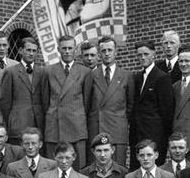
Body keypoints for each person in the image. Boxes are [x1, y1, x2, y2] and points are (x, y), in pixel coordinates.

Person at [43, 35, 93, 169]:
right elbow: (45, 101)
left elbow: (87, 102)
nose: (67, 51)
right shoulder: (48, 71)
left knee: (78, 168)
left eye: (70, 48)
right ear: (58, 49)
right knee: (53, 168)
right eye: (64, 48)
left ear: (76, 49)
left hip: (76, 127)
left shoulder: (85, 72)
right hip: (55, 127)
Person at [87, 36, 135, 166]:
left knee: (118, 169)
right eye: (103, 51)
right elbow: (87, 104)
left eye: (110, 50)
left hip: (117, 130)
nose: (107, 54)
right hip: (97, 128)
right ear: (99, 54)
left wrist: (120, 119)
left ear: (116, 52)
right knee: (97, 170)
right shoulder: (91, 75)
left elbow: (130, 105)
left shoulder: (127, 75)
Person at [129, 39, 174, 168]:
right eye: (139, 55)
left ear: (153, 54)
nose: (142, 57)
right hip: (137, 134)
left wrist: (163, 137)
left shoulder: (162, 77)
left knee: (154, 170)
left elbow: (167, 111)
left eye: (146, 54)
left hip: (155, 135)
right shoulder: (137, 77)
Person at [0, 37, 46, 145]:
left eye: (34, 51)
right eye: (28, 50)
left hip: (38, 126)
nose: (31, 53)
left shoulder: (43, 72)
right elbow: (5, 102)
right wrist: (14, 119)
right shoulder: (11, 72)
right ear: (20, 50)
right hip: (18, 126)